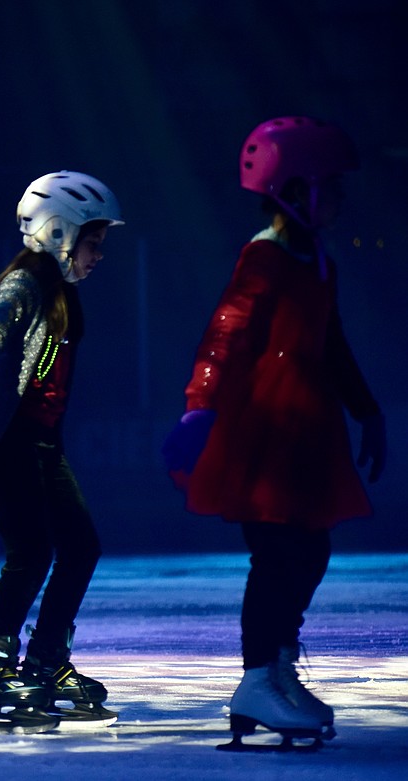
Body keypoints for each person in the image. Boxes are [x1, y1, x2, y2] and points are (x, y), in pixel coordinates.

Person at [162, 116, 385, 750]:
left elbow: (331, 341)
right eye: (330, 186)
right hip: (263, 427)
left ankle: (278, 667)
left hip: (307, 425)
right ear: (294, 189)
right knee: (277, 554)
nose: (340, 198)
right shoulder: (263, 255)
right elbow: (226, 333)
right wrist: (198, 407)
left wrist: (368, 409)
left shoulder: (317, 257)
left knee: (309, 551)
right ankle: (256, 678)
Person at [0, 171, 123, 734]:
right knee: (31, 553)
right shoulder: (27, 281)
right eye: (93, 243)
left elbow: (48, 388)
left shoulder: (63, 292)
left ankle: (44, 661)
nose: (98, 255)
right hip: (6, 436)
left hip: (30, 440)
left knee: (80, 546)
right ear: (59, 232)